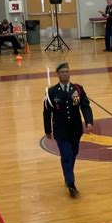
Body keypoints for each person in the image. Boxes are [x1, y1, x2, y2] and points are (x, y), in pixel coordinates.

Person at [43, 62, 93, 198]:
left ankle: (67, 175)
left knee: (74, 153)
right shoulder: (52, 92)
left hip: (75, 129)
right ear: (58, 75)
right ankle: (71, 183)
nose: (65, 74)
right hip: (61, 130)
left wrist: (89, 121)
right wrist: (48, 130)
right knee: (66, 155)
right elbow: (47, 112)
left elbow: (85, 106)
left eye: (67, 72)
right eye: (62, 72)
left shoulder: (77, 89)